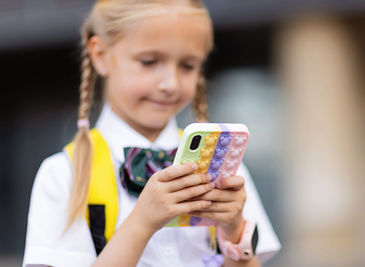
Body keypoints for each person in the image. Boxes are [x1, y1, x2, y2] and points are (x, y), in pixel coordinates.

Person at [23, 1, 281, 266]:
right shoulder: (64, 174)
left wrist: (233, 229)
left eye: (188, 66)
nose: (169, 84)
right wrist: (142, 223)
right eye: (149, 62)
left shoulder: (225, 165)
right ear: (100, 55)